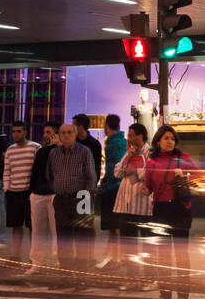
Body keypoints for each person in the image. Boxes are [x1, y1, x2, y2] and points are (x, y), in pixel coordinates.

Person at [143, 124, 200, 299]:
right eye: (166, 138)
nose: (170, 142)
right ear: (158, 140)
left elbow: (200, 175)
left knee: (181, 254)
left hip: (179, 208)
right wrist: (143, 189)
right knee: (163, 254)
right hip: (160, 209)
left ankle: (183, 293)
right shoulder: (152, 161)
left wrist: (184, 175)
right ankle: (164, 292)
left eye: (172, 139)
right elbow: (149, 185)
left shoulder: (182, 157)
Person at [48, 123, 98, 284]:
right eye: (63, 133)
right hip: (61, 200)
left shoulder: (84, 152)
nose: (66, 136)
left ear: (75, 134)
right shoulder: (54, 153)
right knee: (63, 240)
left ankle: (82, 278)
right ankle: (66, 278)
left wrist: (86, 199)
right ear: (59, 135)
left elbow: (91, 177)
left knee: (81, 239)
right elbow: (49, 175)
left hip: (80, 198)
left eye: (70, 133)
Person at [113, 122, 153, 289]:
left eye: (131, 135)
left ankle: (148, 279)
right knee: (128, 242)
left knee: (145, 243)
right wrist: (128, 158)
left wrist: (135, 170)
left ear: (140, 136)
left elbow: (152, 173)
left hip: (142, 205)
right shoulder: (129, 151)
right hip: (125, 203)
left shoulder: (150, 152)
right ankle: (131, 278)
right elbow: (117, 172)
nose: (128, 138)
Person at [27, 122, 61, 272]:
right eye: (45, 132)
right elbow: (35, 172)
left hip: (53, 194)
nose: (45, 135)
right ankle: (37, 262)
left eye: (49, 132)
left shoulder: (60, 151)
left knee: (56, 231)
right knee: (38, 231)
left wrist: (54, 147)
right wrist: (32, 190)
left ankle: (58, 261)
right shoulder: (41, 151)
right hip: (39, 193)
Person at [3, 122, 37, 264]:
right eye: (14, 131)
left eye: (18, 131)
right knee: (16, 226)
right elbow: (6, 171)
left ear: (25, 132)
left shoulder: (35, 148)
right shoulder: (10, 150)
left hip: (28, 192)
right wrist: (7, 188)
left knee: (31, 227)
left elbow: (38, 170)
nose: (15, 134)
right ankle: (15, 256)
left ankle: (33, 257)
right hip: (14, 192)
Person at [97, 115, 127, 269]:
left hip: (112, 187)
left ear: (107, 125)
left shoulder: (111, 142)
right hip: (119, 187)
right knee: (115, 225)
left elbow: (111, 167)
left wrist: (103, 183)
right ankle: (112, 255)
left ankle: (115, 257)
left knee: (113, 225)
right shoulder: (123, 141)